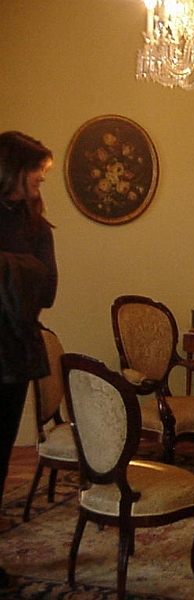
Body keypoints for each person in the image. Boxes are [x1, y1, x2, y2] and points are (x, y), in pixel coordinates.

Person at [0, 131, 57, 589]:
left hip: (13, 353)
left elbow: (50, 288)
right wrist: (21, 269)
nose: (41, 179)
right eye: (35, 173)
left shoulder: (35, 223)